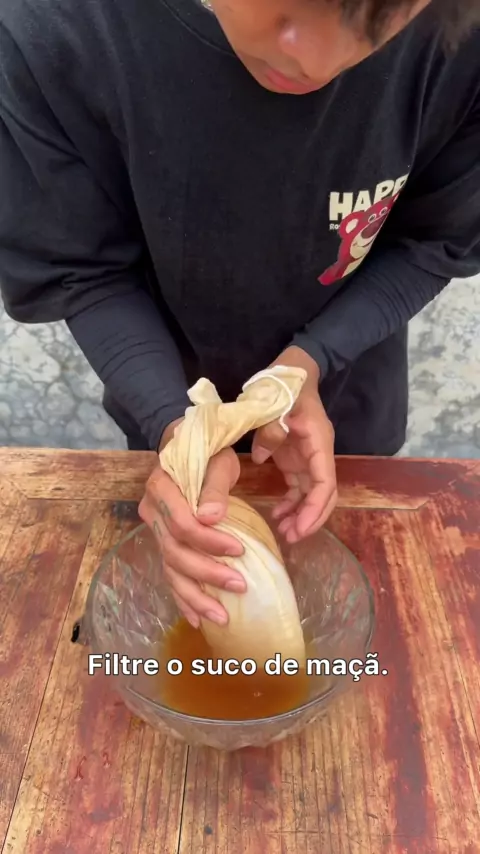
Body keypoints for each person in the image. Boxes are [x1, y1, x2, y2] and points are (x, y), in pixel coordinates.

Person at [1, 0, 479, 629]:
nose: (319, 61)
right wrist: (176, 428)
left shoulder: (462, 39)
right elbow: (84, 270)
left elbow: (432, 242)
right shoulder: (55, 29)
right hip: (162, 391)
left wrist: (311, 361)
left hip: (348, 415)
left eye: (380, 17)